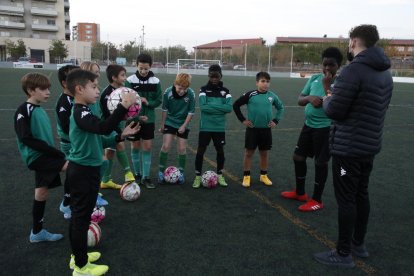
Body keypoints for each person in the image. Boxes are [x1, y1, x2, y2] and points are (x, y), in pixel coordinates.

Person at [313, 24, 393, 268]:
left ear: (355, 41)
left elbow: (336, 110)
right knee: (361, 194)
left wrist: (328, 99)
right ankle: (359, 244)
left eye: (350, 42)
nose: (348, 46)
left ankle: (344, 252)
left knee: (347, 198)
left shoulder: (352, 71)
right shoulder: (385, 73)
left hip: (348, 149)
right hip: (369, 146)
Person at [65, 69, 140, 275]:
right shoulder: (80, 112)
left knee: (82, 216)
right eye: (94, 87)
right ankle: (81, 268)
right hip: (82, 172)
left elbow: (101, 136)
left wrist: (121, 135)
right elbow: (105, 127)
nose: (98, 91)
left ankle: (77, 256)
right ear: (79, 89)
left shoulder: (86, 111)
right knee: (80, 218)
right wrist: (123, 106)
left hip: (87, 170)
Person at [281, 47, 343, 212]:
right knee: (298, 157)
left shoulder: (342, 82)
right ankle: (300, 193)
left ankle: (317, 200)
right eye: (325, 64)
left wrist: (326, 85)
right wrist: (309, 98)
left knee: (320, 162)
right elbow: (300, 99)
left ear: (339, 65)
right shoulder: (315, 78)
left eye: (332, 65)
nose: (327, 68)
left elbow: (337, 106)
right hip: (309, 125)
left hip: (326, 129)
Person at [14, 72, 68, 242]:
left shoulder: (38, 109)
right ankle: (71, 205)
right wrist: (56, 153)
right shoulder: (24, 110)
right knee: (75, 167)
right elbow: (26, 138)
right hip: (38, 156)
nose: (48, 92)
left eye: (48, 89)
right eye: (43, 89)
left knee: (42, 192)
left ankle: (37, 232)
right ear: (31, 90)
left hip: (44, 155)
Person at [233, 72, 284, 188]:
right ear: (257, 83)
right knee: (249, 153)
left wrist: (276, 120)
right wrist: (243, 120)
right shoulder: (251, 94)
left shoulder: (272, 96)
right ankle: (246, 176)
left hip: (266, 130)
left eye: (267, 81)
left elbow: (280, 108)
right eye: (263, 81)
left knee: (264, 153)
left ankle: (263, 175)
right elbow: (236, 105)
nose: (265, 84)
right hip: (253, 130)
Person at [125, 53, 163, 189]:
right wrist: (136, 109)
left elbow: (159, 99)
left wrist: (148, 103)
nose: (143, 71)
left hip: (149, 119)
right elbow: (126, 100)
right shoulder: (130, 80)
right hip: (133, 119)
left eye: (146, 69)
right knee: (135, 146)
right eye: (141, 68)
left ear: (150, 66)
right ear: (136, 65)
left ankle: (146, 177)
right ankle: (137, 175)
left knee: (147, 147)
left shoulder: (156, 81)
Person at [192, 64, 233, 188]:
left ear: (221, 76)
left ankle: (220, 175)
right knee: (200, 151)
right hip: (205, 127)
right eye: (212, 76)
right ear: (209, 76)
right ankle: (197, 177)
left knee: (220, 151)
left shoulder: (226, 91)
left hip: (219, 127)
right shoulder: (203, 89)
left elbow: (229, 108)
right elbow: (203, 108)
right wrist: (221, 108)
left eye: (217, 76)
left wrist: (212, 107)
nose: (214, 79)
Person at [99, 64, 138, 189]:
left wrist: (136, 116)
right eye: (122, 75)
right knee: (119, 144)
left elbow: (126, 111)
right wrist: (117, 130)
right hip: (108, 126)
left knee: (110, 152)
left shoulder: (123, 90)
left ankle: (105, 180)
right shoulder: (107, 94)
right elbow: (107, 115)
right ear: (114, 77)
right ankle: (128, 173)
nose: (125, 78)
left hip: (117, 124)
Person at [158, 73, 195, 185]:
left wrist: (184, 125)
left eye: (185, 89)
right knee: (166, 146)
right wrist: (163, 124)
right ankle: (160, 172)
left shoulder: (191, 94)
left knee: (182, 148)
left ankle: (181, 173)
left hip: (183, 122)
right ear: (175, 84)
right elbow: (164, 109)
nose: (182, 91)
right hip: (170, 121)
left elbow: (191, 112)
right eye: (179, 88)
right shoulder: (168, 93)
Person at [55, 64, 79, 219]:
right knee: (73, 174)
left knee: (76, 174)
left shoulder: (74, 99)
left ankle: (68, 203)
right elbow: (67, 126)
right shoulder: (65, 102)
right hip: (70, 144)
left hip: (76, 142)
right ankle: (67, 204)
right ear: (65, 83)